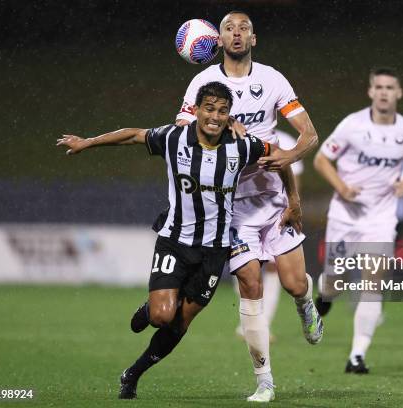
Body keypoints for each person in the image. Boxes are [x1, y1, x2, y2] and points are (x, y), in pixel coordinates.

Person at [57, 82, 295, 399]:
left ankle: (132, 374)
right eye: (209, 108)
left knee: (179, 322)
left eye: (222, 111)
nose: (215, 116)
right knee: (161, 316)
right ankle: (150, 308)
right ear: (196, 110)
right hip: (175, 241)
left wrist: (293, 200)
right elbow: (132, 134)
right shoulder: (174, 137)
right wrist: (88, 142)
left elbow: (279, 156)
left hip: (215, 250)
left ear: (229, 116)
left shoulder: (242, 146)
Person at [172, 11, 322, 402]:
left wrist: (289, 160)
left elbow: (309, 133)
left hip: (272, 202)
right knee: (250, 284)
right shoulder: (203, 82)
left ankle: (306, 302)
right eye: (228, 29)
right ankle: (265, 381)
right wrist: (225, 125)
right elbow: (182, 130)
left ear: (253, 38)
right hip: (230, 207)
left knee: (293, 284)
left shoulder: (272, 80)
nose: (236, 34)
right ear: (217, 39)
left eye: (243, 29)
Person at [313, 67, 403, 374]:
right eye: (380, 87)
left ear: (399, 93)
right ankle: (325, 297)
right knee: (334, 281)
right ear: (371, 92)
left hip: (381, 218)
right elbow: (322, 159)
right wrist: (343, 188)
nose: (385, 92)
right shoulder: (353, 125)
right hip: (345, 215)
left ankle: (357, 355)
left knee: (373, 284)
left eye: (390, 87)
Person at [233, 128, 305, 342]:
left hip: (275, 214)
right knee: (246, 271)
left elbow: (295, 178)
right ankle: (250, 320)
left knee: (277, 271)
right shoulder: (234, 138)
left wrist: (292, 205)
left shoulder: (285, 141)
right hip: (242, 214)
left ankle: (262, 323)